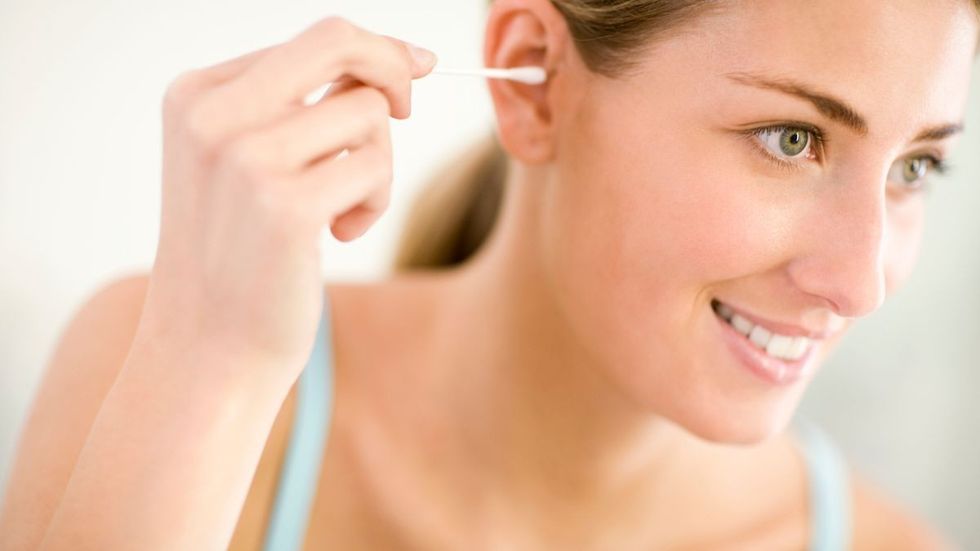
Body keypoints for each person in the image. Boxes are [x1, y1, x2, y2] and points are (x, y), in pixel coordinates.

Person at [1, 0, 977, 549]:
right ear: (534, 79)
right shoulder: (166, 368)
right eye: (790, 137)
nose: (862, 281)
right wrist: (209, 362)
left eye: (914, 167)